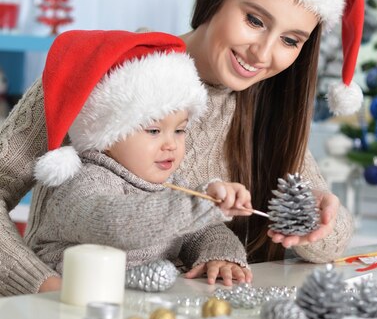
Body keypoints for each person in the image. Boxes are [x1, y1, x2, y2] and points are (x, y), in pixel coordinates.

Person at [0, 0, 364, 295]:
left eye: (291, 40)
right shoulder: (107, 72)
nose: (264, 53)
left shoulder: (265, 108)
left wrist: (320, 216)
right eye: (255, 20)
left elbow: (334, 242)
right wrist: (44, 286)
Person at [28, 30, 253, 287]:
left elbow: (204, 230)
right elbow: (111, 224)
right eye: (154, 131)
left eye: (180, 130)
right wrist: (197, 205)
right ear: (109, 133)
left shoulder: (172, 183)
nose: (171, 144)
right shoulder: (85, 181)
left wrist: (222, 256)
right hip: (67, 299)